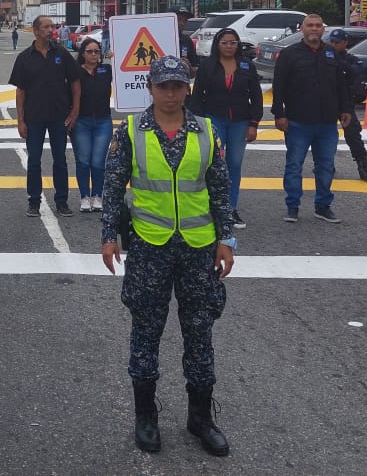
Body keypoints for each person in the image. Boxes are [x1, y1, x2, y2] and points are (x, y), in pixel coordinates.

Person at [101, 55, 235, 457]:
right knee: (146, 332)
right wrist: (109, 234)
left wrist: (227, 238)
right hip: (148, 246)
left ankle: (200, 418)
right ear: (151, 88)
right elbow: (112, 185)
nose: (171, 92)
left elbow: (220, 190)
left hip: (198, 249)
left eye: (178, 85)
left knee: (199, 333)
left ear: (186, 89)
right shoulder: (130, 131)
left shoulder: (207, 130)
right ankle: (146, 417)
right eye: (164, 85)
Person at [271, 14, 352, 224]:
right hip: (298, 121)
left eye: (318, 26)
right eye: (310, 26)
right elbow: (278, 86)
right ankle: (292, 207)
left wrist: (345, 109)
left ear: (323, 30)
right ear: (302, 29)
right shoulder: (289, 54)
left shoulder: (332, 53)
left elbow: (341, 85)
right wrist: (279, 114)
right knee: (294, 166)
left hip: (327, 122)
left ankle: (323, 206)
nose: (314, 29)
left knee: (326, 166)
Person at [188, 28, 262, 229]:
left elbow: (256, 96)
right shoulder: (208, 66)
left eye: (233, 42)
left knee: (234, 165)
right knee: (214, 165)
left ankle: (230, 209)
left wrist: (254, 123)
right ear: (217, 45)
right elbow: (197, 97)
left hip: (240, 121)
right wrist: (199, 123)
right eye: (225, 43)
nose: (229, 46)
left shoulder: (247, 66)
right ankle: (211, 207)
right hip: (214, 120)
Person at [9, 15, 81, 217]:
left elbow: (75, 81)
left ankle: (62, 202)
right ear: (36, 31)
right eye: (47, 27)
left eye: (52, 27)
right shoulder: (24, 58)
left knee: (60, 160)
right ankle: (34, 202)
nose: (51, 30)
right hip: (34, 117)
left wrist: (75, 110)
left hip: (60, 116)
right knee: (34, 161)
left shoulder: (62, 53)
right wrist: (20, 120)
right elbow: (20, 91)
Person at [326, 29, 367, 182]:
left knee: (353, 135)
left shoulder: (351, 60)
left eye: (337, 43)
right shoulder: (325, 58)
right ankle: (326, 165)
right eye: (332, 42)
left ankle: (363, 167)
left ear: (345, 43)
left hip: (346, 103)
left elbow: (356, 75)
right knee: (326, 137)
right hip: (327, 102)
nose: (334, 45)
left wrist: (339, 63)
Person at [72, 37, 113, 213]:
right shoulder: (75, 72)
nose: (94, 54)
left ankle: (97, 195)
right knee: (83, 161)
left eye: (97, 51)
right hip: (81, 121)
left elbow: (127, 72)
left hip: (103, 121)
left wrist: (116, 58)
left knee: (98, 162)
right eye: (90, 51)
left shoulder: (107, 69)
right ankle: (84, 196)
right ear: (83, 53)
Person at [176, 9, 199, 76]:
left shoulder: (186, 40)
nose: (182, 23)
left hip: (181, 83)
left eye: (185, 20)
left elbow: (193, 72)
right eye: (179, 19)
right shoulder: (158, 38)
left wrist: (188, 66)